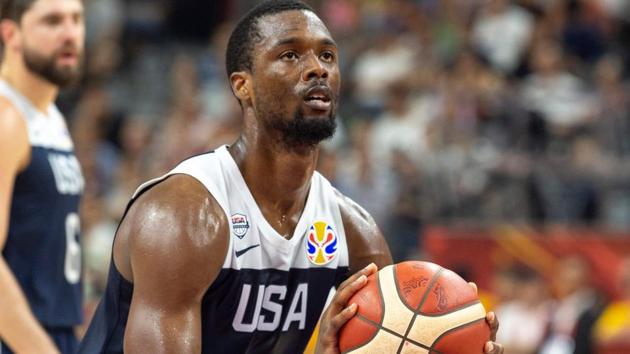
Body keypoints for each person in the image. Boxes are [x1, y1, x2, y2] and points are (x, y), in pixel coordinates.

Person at [79, 1, 503, 353]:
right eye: (290, 55)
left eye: (327, 55)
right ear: (242, 85)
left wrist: (456, 340)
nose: (317, 68)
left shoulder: (355, 235)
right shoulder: (183, 217)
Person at [0, 0, 85, 353]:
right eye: (52, 21)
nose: (70, 33)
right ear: (11, 33)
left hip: (48, 329)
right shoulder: (6, 119)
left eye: (77, 20)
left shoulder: (50, 118)